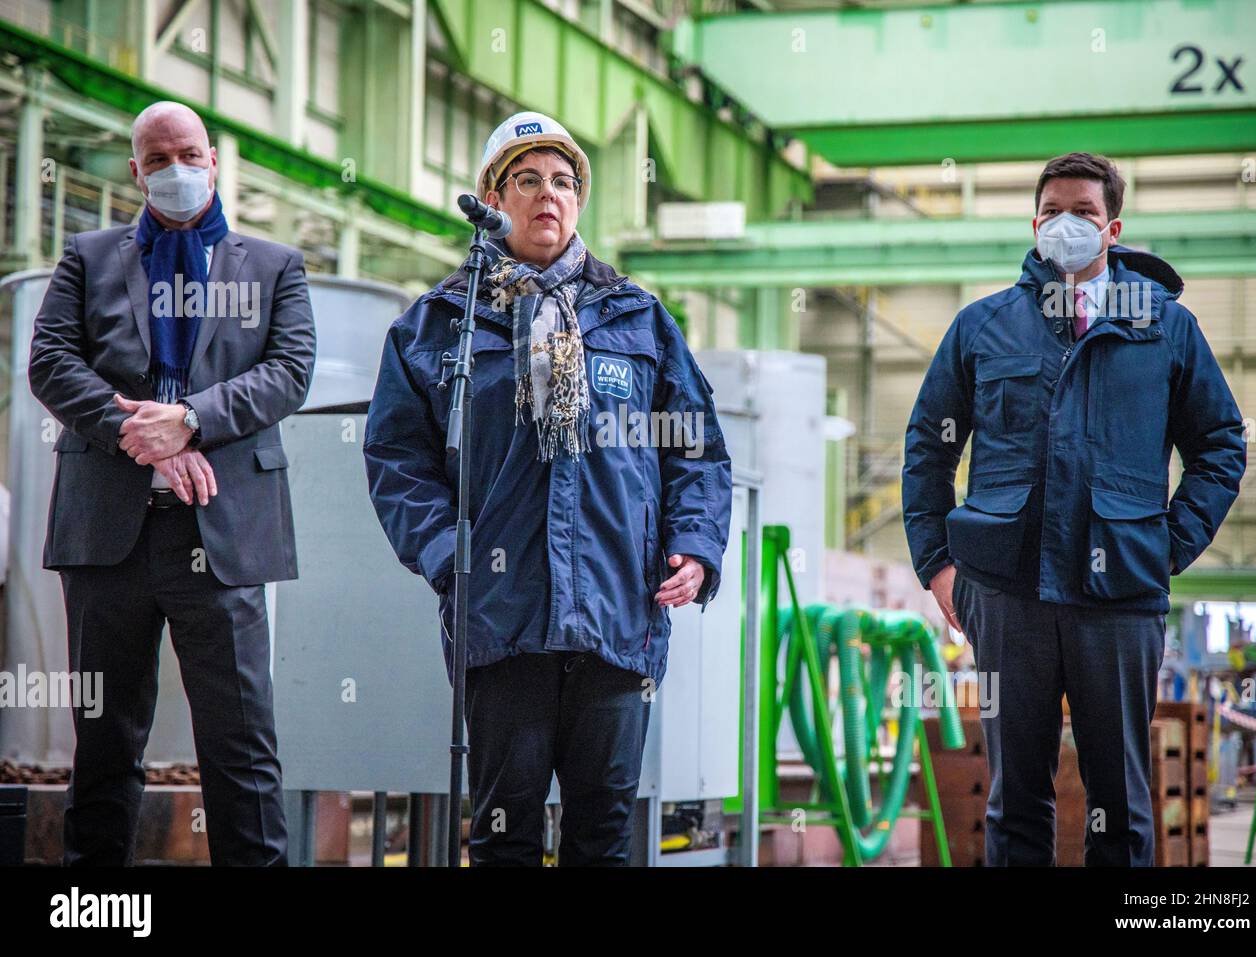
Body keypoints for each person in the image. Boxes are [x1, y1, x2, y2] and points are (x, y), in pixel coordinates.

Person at [364, 111, 732, 865]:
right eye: (526, 180)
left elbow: (695, 449)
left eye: (563, 181)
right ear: (492, 197)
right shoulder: (443, 325)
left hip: (616, 617)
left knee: (603, 835)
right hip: (501, 620)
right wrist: (447, 555)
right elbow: (397, 459)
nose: (547, 196)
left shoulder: (637, 317)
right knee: (504, 834)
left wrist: (693, 547)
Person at [902, 151, 1245, 866]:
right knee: (1014, 802)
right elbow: (928, 447)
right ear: (1034, 223)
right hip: (1007, 595)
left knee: (1117, 807)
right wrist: (937, 565)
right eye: (1053, 210)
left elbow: (1219, 447)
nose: (1067, 224)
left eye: (1084, 212)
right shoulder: (982, 327)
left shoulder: (1164, 329)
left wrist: (1166, 545)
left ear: (1113, 227)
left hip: (1118, 598)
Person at [28, 101, 317, 866]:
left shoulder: (275, 266)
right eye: (157, 160)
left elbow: (289, 373)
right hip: (108, 535)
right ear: (135, 171)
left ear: (214, 159)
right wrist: (145, 440)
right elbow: (51, 363)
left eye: (188, 154)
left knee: (241, 744)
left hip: (219, 531)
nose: (175, 171)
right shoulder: (87, 257)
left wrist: (187, 421)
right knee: (104, 741)